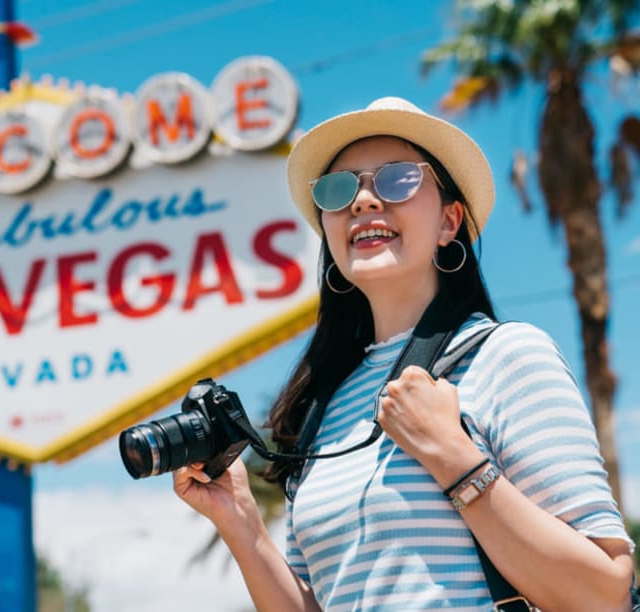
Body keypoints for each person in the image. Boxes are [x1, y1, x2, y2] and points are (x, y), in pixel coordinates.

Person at [172, 96, 635, 611]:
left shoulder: (506, 356)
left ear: (449, 222)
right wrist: (242, 524)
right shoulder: (320, 409)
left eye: (398, 181)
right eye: (338, 189)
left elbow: (603, 594)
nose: (365, 201)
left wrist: (453, 458)